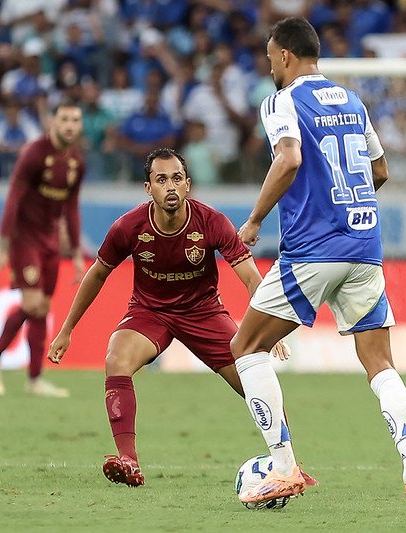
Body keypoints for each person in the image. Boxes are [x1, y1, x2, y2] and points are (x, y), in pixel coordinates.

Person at [228, 17, 406, 515]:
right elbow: (380, 170)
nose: (268, 65)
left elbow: (290, 159)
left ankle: (283, 465)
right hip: (365, 248)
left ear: (283, 56)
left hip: (310, 251)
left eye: (269, 56)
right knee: (380, 364)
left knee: (247, 346)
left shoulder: (281, 101)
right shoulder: (353, 101)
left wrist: (255, 220)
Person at [46, 148, 312, 488]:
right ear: (148, 189)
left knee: (255, 378)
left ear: (188, 184)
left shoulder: (212, 222)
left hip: (203, 313)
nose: (169, 186)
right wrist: (67, 329)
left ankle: (289, 466)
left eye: (176, 179)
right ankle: (128, 460)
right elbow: (97, 274)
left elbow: (249, 276)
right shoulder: (128, 227)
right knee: (116, 358)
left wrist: (267, 329)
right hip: (150, 312)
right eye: (160, 180)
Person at [0, 100, 86, 398]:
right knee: (32, 304)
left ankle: (35, 378)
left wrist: (76, 252)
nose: (69, 125)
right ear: (53, 121)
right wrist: (3, 244)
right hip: (24, 238)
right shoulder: (34, 153)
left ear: (80, 126)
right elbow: (13, 196)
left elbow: (72, 208)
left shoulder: (77, 162)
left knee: (42, 308)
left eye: (75, 120)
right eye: (64, 118)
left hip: (51, 242)